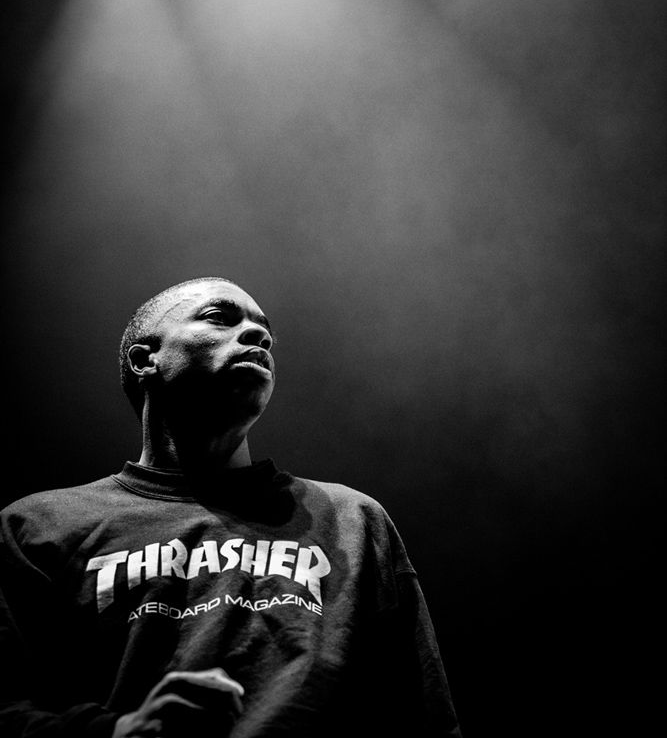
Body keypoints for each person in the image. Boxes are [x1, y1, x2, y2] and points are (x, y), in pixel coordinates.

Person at [0, 276, 462, 736]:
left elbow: (422, 718)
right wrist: (121, 731)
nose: (258, 336)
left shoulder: (351, 519)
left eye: (265, 333)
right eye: (220, 318)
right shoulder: (39, 527)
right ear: (145, 360)